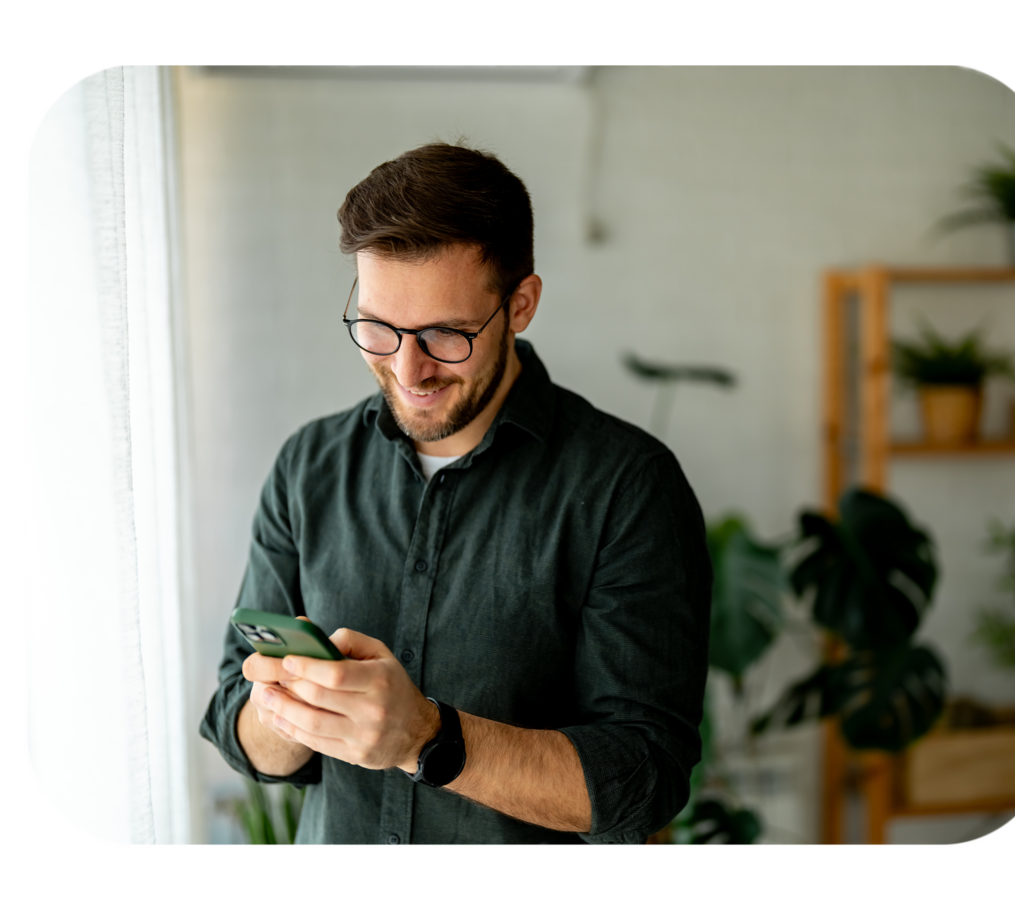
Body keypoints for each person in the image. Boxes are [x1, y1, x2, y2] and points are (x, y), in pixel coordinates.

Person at [200, 142, 712, 850]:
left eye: (445, 334)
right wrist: (287, 711)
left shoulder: (628, 487)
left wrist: (426, 738)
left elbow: (642, 780)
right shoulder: (308, 467)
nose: (408, 369)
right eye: (377, 327)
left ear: (520, 305)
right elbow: (238, 725)